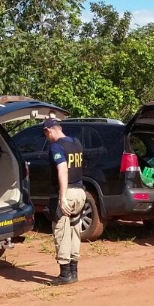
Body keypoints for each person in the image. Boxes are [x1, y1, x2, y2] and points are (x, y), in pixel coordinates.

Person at [43, 118, 86, 285]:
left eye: (45, 135)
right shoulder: (76, 143)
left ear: (49, 131)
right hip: (80, 193)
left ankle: (65, 273)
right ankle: (74, 271)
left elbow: (62, 170)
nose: (47, 138)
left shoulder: (56, 147)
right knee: (75, 230)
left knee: (61, 231)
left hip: (67, 194)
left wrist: (62, 197)